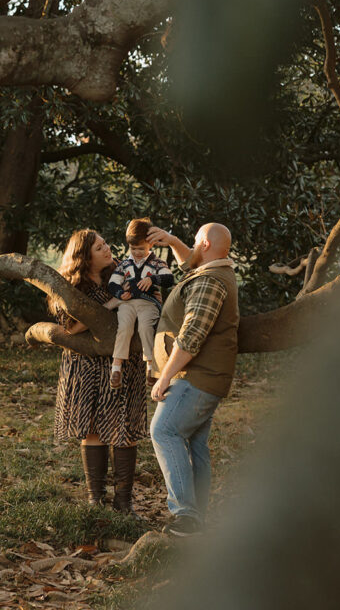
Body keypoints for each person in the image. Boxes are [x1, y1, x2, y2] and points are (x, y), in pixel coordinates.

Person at [146, 222, 239, 537]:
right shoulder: (211, 270)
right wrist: (172, 241)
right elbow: (190, 260)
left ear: (206, 245)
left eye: (196, 243)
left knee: (164, 431)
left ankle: (186, 517)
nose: (192, 248)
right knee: (195, 443)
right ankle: (195, 520)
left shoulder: (210, 282)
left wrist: (164, 378)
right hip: (204, 376)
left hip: (197, 377)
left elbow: (192, 337)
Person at [50, 229, 148, 514]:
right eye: (99, 248)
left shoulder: (121, 275)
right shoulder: (70, 286)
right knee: (91, 428)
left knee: (124, 428)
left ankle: (123, 501)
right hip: (86, 364)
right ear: (84, 257)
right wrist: (109, 305)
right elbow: (70, 326)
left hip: (122, 360)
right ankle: (96, 499)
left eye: (106, 244)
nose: (107, 249)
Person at [107, 217, 175, 389]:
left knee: (145, 328)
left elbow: (169, 278)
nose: (137, 252)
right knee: (124, 327)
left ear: (150, 245)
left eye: (141, 248)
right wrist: (120, 293)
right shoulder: (124, 264)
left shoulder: (156, 263)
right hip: (127, 303)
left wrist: (153, 280)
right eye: (133, 248)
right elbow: (112, 283)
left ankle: (151, 367)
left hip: (148, 303)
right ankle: (116, 367)